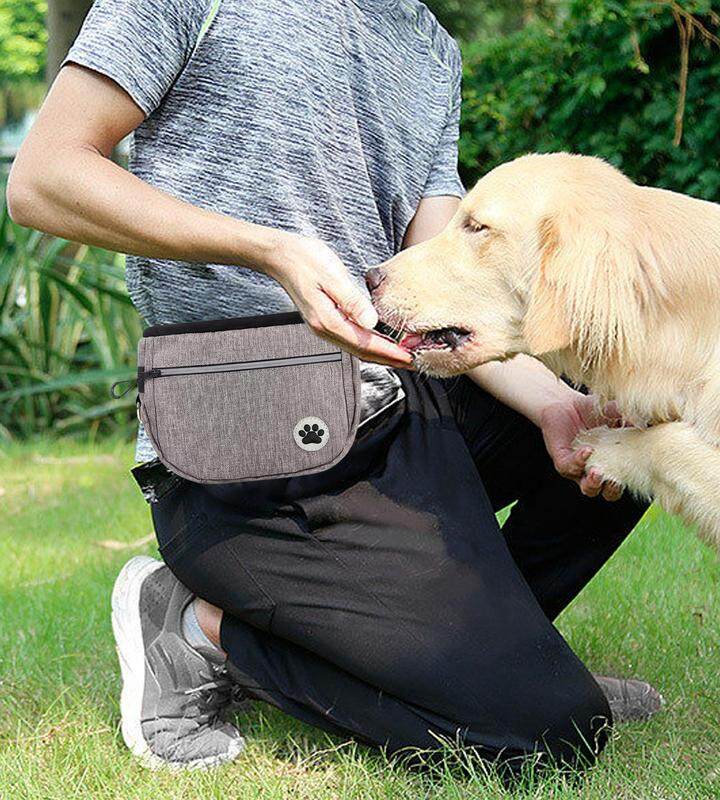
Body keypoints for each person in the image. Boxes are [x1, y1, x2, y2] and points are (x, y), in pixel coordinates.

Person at [7, 0, 661, 773]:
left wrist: (558, 404)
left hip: (395, 409)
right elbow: (43, 178)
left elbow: (446, 283)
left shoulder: (425, 43)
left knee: (630, 439)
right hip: (250, 447)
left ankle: (505, 662)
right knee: (550, 734)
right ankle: (197, 631)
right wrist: (269, 251)